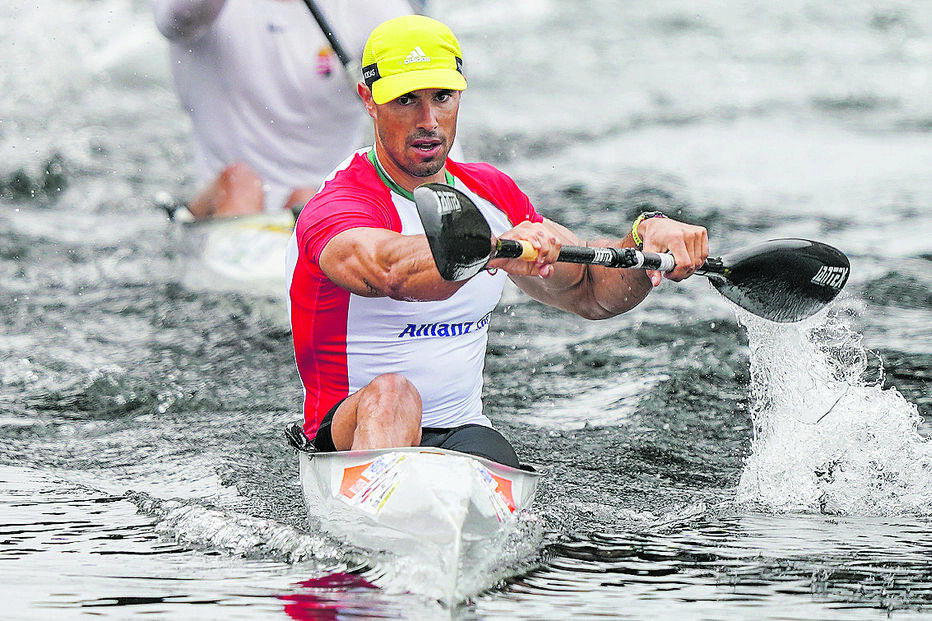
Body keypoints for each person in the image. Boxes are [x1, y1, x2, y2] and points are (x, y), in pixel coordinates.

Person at [286, 15, 709, 468]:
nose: (428, 121)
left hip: (461, 429)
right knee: (393, 395)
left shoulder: (491, 192)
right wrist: (496, 248)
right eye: (405, 100)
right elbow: (389, 271)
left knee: (503, 461)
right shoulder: (339, 204)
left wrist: (646, 241)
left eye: (442, 98)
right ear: (368, 100)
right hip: (347, 432)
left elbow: (588, 288)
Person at [151, 0, 414, 219]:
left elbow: (427, 115)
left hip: (323, 205)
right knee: (241, 184)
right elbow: (177, 17)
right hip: (226, 203)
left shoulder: (374, 8)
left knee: (309, 199)